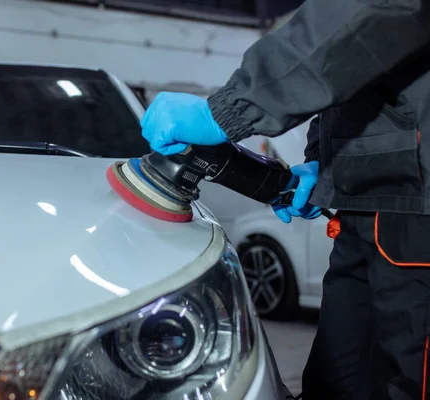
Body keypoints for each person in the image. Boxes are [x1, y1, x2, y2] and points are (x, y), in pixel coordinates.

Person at [138, 0, 430, 399]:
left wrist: (226, 111)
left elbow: (361, 14)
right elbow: (354, 77)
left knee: (413, 380)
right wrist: (321, 164)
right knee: (337, 380)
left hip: (417, 206)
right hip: (371, 203)